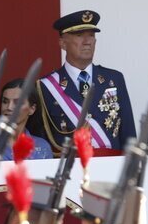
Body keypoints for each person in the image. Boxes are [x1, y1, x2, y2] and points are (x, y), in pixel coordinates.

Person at [30, 10, 135, 154]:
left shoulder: (114, 79)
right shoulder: (45, 86)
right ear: (62, 43)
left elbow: (128, 133)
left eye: (91, 36)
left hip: (112, 168)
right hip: (70, 168)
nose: (87, 42)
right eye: (79, 36)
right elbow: (41, 141)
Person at [0, 78, 53, 160]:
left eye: (17, 102)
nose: (9, 107)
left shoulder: (42, 147)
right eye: (5, 101)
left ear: (32, 109)